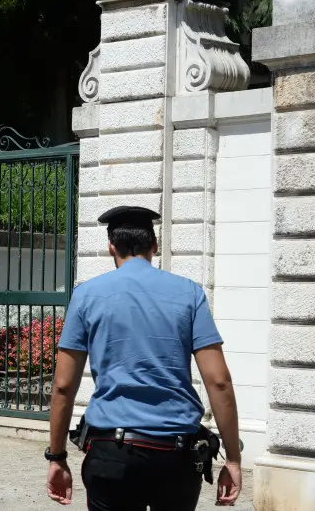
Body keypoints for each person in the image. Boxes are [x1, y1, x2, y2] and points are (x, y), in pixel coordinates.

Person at [45, 206, 242, 510]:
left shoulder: (87, 295)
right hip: (176, 456)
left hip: (111, 453)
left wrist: (57, 457)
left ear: (111, 246)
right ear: (155, 246)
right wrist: (233, 458)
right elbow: (218, 382)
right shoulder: (189, 294)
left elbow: (62, 386)